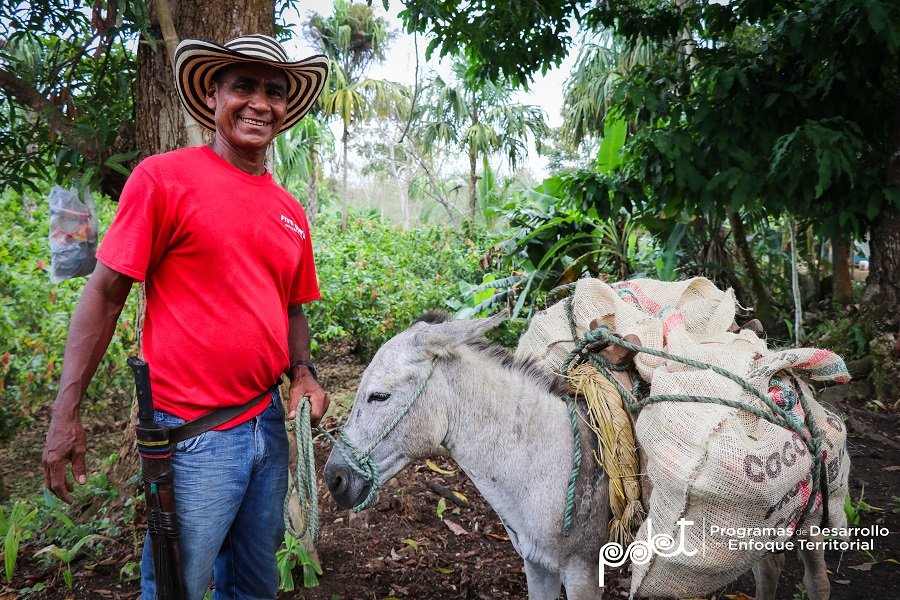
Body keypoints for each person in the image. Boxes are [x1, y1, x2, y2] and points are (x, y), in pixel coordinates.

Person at [41, 34, 330, 599]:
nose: (259, 103)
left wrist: (303, 373)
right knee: (177, 587)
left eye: (274, 91)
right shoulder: (163, 179)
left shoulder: (289, 210)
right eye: (243, 85)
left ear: (285, 109)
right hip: (194, 438)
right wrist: (65, 411)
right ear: (214, 95)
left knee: (254, 585)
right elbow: (104, 294)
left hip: (266, 424)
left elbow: (291, 305)